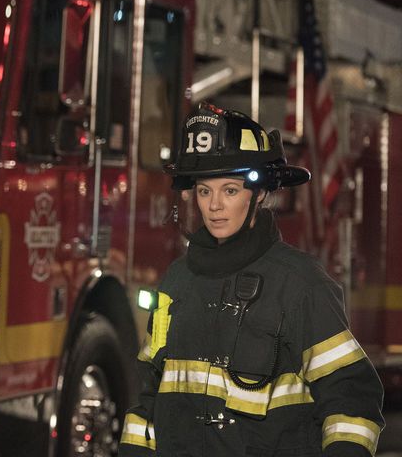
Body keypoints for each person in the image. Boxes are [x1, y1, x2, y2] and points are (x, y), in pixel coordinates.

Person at [119, 102, 384, 457]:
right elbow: (148, 396)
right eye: (203, 190)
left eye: (230, 190)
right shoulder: (176, 282)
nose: (214, 205)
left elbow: (351, 397)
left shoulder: (302, 286)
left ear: (259, 194)